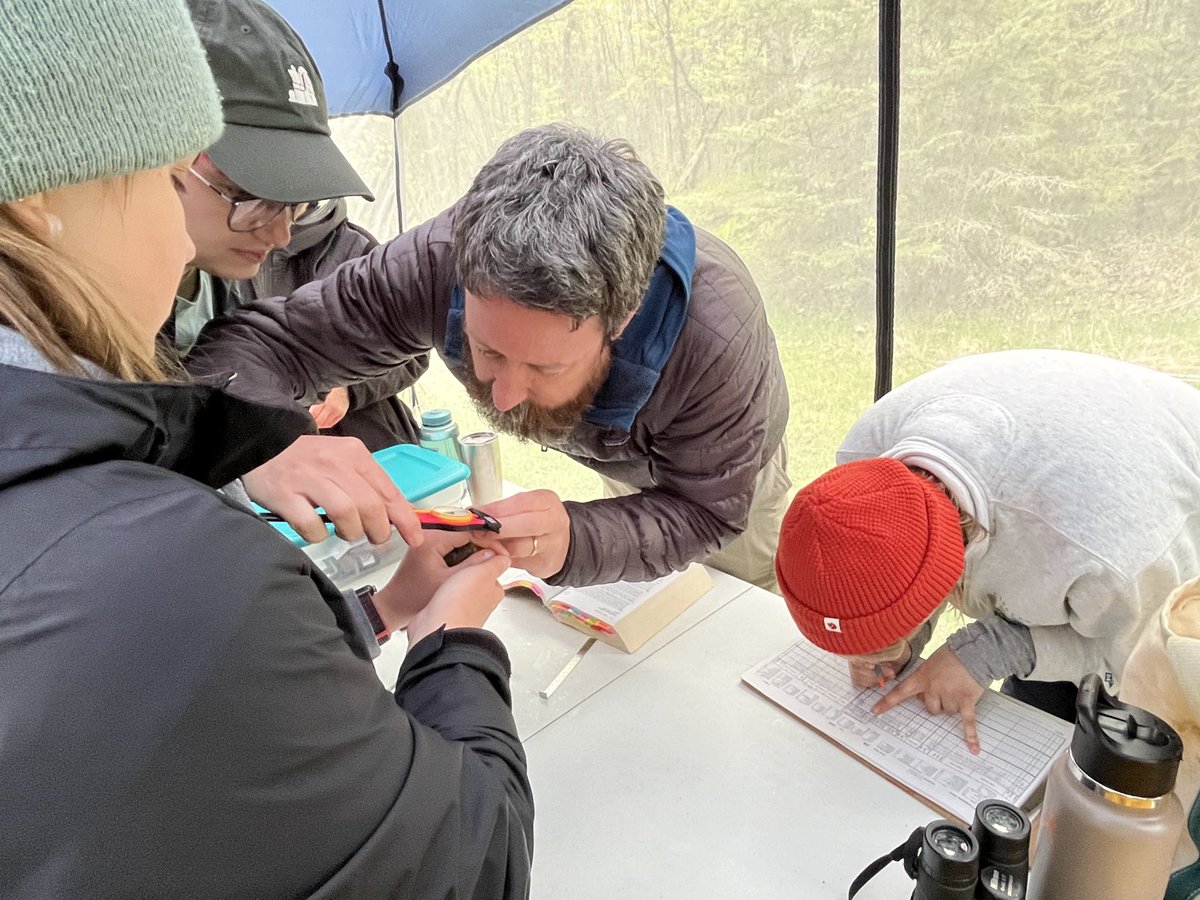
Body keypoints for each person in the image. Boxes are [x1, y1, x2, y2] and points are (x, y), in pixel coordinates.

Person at [0, 1, 532, 896]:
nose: (181, 246)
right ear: (42, 195)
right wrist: (451, 644)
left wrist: (374, 614)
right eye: (169, 179)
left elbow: (141, 738)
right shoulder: (167, 569)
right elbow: (469, 860)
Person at [186, 123, 792, 590]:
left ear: (624, 319)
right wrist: (261, 436)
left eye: (545, 367)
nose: (500, 398)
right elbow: (264, 343)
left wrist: (576, 540)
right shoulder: (435, 261)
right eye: (485, 349)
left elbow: (705, 513)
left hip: (722, 468)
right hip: (625, 448)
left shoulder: (716, 341)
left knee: (736, 605)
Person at [774, 349, 1200, 752]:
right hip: (1058, 460)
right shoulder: (863, 464)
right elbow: (907, 544)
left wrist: (991, 651)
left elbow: (1143, 654)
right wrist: (903, 641)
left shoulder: (1102, 552)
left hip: (1157, 543)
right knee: (1037, 722)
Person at [169, 0, 423, 452]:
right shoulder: (93, 308)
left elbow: (410, 342)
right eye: (252, 195)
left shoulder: (333, 245)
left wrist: (344, 384)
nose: (281, 234)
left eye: (299, 201)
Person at [239, 198, 427, 449]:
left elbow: (413, 352)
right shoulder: (218, 254)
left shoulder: (356, 248)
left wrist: (348, 386)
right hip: (265, 451)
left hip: (371, 440)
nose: (281, 230)